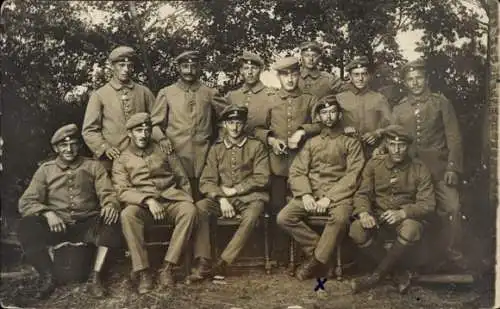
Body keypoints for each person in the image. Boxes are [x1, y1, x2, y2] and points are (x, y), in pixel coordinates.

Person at [17, 124, 121, 299]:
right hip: (58, 226)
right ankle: (48, 277)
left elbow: (108, 193)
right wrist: (47, 213)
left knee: (111, 220)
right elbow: (26, 202)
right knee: (27, 226)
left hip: (87, 225)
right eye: (63, 145)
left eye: (73, 144)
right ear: (56, 148)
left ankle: (96, 277)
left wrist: (110, 204)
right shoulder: (46, 170)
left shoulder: (93, 166)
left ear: (79, 145)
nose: (69, 149)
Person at [277, 96, 365, 280]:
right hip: (312, 192)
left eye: (333, 112)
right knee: (284, 217)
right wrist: (306, 194)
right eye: (324, 113)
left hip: (339, 196)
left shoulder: (351, 142)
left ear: (339, 114)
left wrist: (329, 198)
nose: (329, 116)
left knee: (341, 218)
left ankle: (315, 262)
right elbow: (298, 171)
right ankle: (324, 254)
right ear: (319, 117)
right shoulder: (311, 143)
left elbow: (353, 175)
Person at [392, 59, 465, 269]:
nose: (415, 83)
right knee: (409, 211)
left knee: (452, 207)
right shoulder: (399, 109)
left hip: (439, 170)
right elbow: (393, 138)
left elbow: (454, 137)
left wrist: (452, 167)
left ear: (426, 79)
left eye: (419, 78)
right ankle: (410, 261)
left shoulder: (441, 102)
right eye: (410, 79)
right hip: (411, 172)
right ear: (405, 82)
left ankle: (453, 255)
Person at [113, 113, 197, 294]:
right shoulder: (122, 158)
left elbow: (181, 178)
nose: (143, 134)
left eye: (147, 130)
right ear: (129, 133)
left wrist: (186, 198)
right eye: (138, 130)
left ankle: (167, 267)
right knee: (128, 215)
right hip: (143, 206)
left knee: (189, 210)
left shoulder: (164, 150)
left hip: (170, 200)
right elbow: (122, 190)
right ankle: (143, 271)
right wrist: (147, 200)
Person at [186, 105, 270, 283]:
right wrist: (222, 198)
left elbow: (262, 178)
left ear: (244, 124)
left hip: (250, 198)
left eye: (238, 122)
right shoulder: (216, 149)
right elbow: (206, 181)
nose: (234, 127)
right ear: (224, 125)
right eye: (230, 122)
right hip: (222, 198)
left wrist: (237, 189)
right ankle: (203, 261)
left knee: (254, 213)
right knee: (200, 208)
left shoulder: (256, 146)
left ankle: (224, 261)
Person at [349, 125, 436, 294]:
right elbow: (362, 194)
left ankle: (376, 276)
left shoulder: (419, 168)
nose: (396, 150)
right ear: (386, 145)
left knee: (411, 228)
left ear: (408, 146)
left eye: (401, 145)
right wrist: (364, 213)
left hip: (405, 221)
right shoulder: (374, 164)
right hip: (378, 217)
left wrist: (403, 213)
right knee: (355, 229)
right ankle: (398, 272)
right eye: (392, 144)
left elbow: (428, 203)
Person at [255, 56, 321, 262]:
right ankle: (280, 252)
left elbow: (322, 124)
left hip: (304, 166)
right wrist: (272, 140)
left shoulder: (310, 99)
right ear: (279, 77)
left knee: (305, 207)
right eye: (285, 75)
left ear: (299, 75)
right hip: (278, 165)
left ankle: (307, 252)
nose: (290, 79)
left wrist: (302, 131)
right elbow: (256, 128)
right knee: (277, 206)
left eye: (293, 74)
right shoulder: (270, 99)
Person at [155, 50, 227, 201]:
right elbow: (155, 124)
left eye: (193, 66)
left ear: (199, 68)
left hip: (205, 157)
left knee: (204, 201)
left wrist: (220, 139)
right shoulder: (167, 93)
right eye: (185, 66)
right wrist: (162, 139)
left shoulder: (209, 92)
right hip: (176, 157)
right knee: (182, 201)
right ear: (178, 68)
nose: (189, 71)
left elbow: (228, 116)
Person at [82, 46, 170, 171]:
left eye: (129, 65)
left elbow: (156, 121)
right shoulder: (99, 95)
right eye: (121, 65)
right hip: (112, 158)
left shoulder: (144, 92)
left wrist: (159, 139)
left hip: (142, 156)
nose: (126, 69)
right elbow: (89, 130)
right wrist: (104, 147)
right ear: (112, 67)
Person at [336, 56, 393, 157]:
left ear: (369, 76)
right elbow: (331, 124)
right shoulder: (340, 99)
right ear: (350, 76)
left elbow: (391, 125)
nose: (360, 78)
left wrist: (376, 133)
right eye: (356, 75)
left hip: (373, 152)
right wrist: (343, 130)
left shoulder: (379, 98)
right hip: (347, 152)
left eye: (364, 74)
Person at [225, 51, 276, 136]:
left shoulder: (271, 96)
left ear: (261, 70)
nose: (250, 72)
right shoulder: (232, 96)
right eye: (246, 68)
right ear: (241, 70)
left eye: (254, 68)